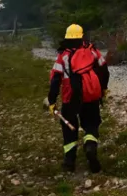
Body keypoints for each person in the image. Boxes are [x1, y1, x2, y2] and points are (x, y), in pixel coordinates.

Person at [45, 23, 109, 173]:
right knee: (91, 123)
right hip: (91, 94)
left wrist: (52, 101)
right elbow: (104, 69)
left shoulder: (63, 56)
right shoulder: (92, 51)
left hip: (71, 97)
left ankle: (69, 162)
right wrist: (103, 89)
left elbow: (55, 79)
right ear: (82, 37)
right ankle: (90, 147)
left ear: (67, 38)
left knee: (69, 128)